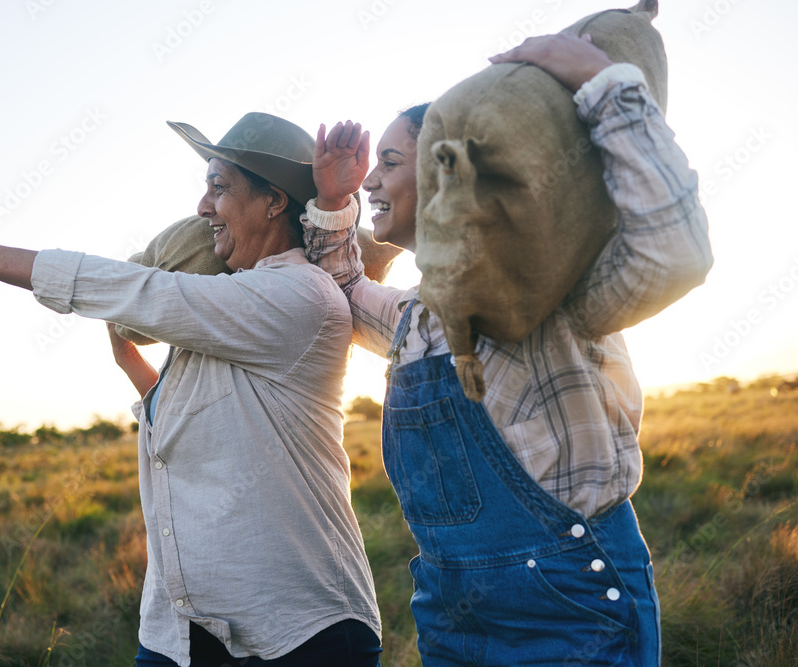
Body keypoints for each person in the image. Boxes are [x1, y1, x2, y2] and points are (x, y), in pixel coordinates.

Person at [0, 112, 383, 667]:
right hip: (177, 632)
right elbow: (206, 407)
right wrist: (136, 367)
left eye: (219, 187)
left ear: (275, 202)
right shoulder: (219, 320)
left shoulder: (299, 297)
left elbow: (141, 290)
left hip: (299, 630)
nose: (203, 206)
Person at [305, 35, 714, 665]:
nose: (373, 180)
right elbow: (345, 292)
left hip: (569, 604)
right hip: (452, 614)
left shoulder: (540, 287)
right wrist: (336, 204)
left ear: (445, 166)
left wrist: (606, 82)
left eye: (389, 161)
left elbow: (675, 252)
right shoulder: (416, 316)